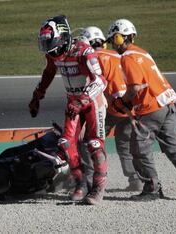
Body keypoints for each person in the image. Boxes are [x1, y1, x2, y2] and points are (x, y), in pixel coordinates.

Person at [107, 19, 176, 200]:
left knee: (138, 147)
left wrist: (122, 102)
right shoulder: (142, 53)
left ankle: (151, 188)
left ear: (120, 38)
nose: (113, 44)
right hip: (167, 104)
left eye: (114, 39)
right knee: (174, 148)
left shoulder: (128, 57)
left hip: (151, 108)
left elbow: (135, 88)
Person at [29, 15, 108, 205]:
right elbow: (48, 73)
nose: (47, 47)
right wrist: (37, 96)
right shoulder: (53, 54)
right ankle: (80, 183)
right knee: (65, 142)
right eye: (45, 42)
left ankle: (98, 187)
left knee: (95, 145)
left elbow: (101, 80)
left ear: (61, 37)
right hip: (73, 102)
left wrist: (83, 99)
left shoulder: (83, 51)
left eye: (50, 41)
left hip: (93, 101)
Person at [78, 26, 143, 191]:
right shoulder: (120, 55)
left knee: (87, 141)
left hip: (112, 107)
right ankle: (136, 180)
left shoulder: (91, 58)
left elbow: (92, 88)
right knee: (124, 143)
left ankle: (90, 180)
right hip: (130, 106)